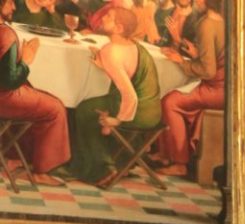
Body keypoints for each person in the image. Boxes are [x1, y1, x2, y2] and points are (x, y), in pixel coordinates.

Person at [69, 3, 161, 185]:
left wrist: (118, 120)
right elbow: (128, 72)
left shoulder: (110, 51)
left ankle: (102, 168)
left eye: (108, 17)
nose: (103, 17)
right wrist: (105, 65)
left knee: (84, 110)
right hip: (153, 112)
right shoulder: (134, 46)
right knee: (94, 107)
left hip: (137, 113)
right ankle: (118, 163)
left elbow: (131, 96)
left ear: (119, 28)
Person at [0, 0, 70, 185]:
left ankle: (14, 156)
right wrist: (26, 60)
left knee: (33, 92)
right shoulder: (5, 33)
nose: (14, 7)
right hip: (3, 97)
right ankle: (42, 171)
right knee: (55, 108)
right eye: (9, 3)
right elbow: (10, 81)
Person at [155, 0, 223, 178]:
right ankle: (168, 154)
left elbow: (208, 71)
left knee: (170, 102)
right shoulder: (221, 20)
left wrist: (182, 61)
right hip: (221, 86)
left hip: (217, 89)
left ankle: (179, 163)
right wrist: (194, 53)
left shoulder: (207, 24)